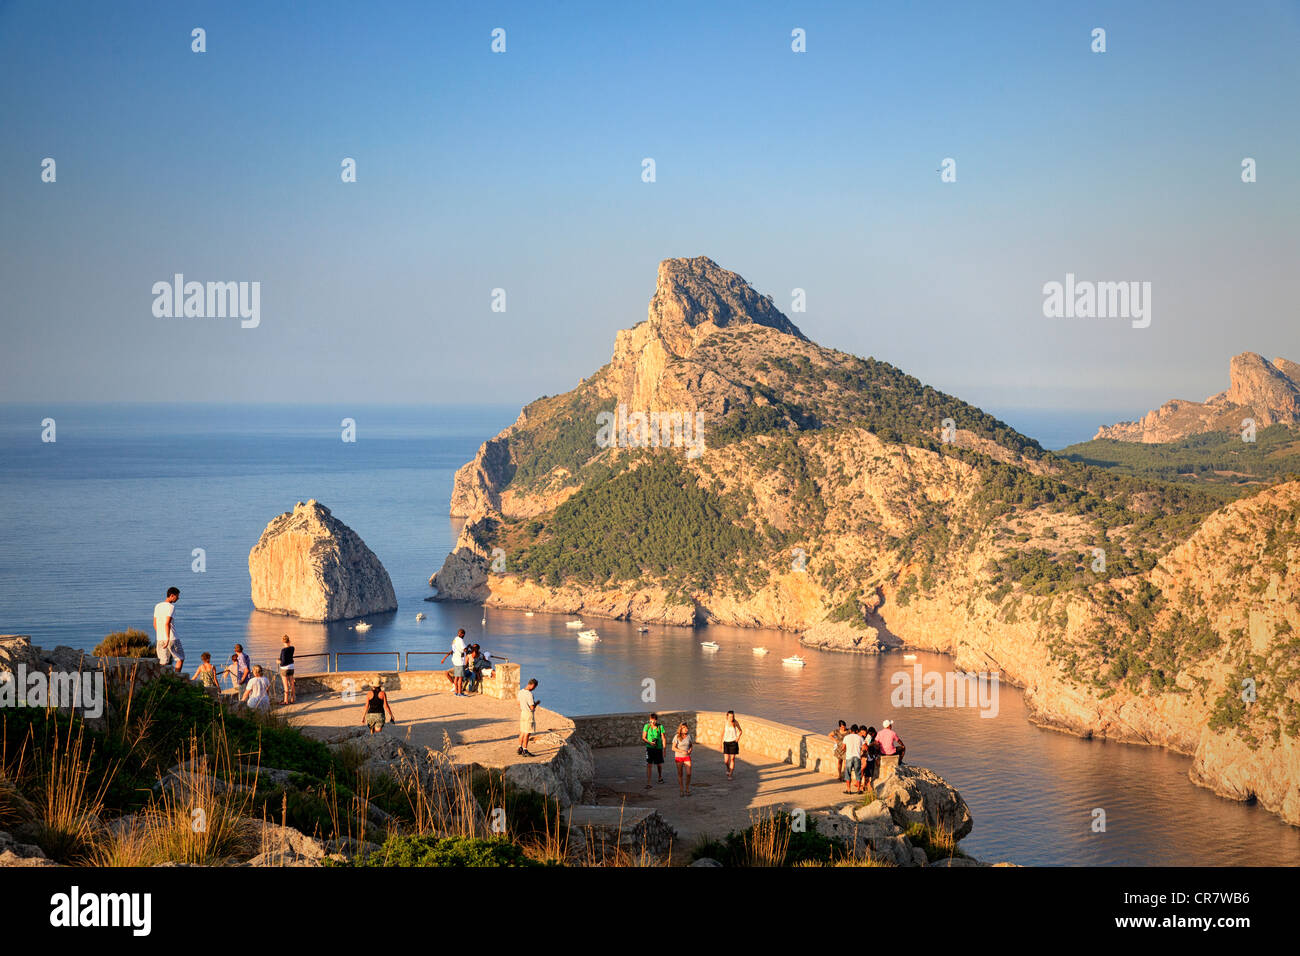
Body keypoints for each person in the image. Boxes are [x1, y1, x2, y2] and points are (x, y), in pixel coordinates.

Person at [152, 587, 180, 668]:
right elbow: (167, 623)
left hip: (160, 638)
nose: (178, 598)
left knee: (162, 662)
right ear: (172, 595)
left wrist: (161, 634)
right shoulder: (171, 607)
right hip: (171, 638)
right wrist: (167, 638)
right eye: (177, 596)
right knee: (180, 659)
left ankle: (162, 679)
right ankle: (176, 678)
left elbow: (154, 624)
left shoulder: (157, 606)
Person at [440, 628, 468, 697]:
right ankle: (460, 693)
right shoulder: (461, 640)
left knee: (456, 678)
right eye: (463, 634)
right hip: (460, 661)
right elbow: (464, 650)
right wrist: (468, 647)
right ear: (462, 634)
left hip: (455, 660)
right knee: (460, 678)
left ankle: (456, 692)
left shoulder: (455, 639)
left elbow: (454, 649)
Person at [642, 712, 666, 788]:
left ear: (656, 720)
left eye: (654, 720)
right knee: (649, 764)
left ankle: (660, 777)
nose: (653, 722)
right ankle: (648, 783)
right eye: (651, 720)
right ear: (649, 720)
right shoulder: (647, 726)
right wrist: (650, 742)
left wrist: (664, 749)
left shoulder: (660, 727)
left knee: (659, 764)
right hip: (649, 748)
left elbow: (663, 738)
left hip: (658, 748)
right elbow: (643, 737)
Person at [517, 678, 539, 757]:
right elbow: (532, 707)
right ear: (532, 685)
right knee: (527, 733)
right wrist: (536, 703)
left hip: (522, 713)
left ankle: (520, 748)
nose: (534, 689)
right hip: (528, 714)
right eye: (535, 687)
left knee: (522, 731)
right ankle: (525, 750)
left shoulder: (520, 692)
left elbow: (518, 704)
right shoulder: (529, 694)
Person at [672, 722, 694, 797]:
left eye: (687, 728)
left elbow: (691, 745)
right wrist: (682, 751)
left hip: (687, 757)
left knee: (688, 773)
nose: (686, 729)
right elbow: (673, 748)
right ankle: (681, 789)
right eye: (684, 728)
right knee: (680, 774)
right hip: (679, 757)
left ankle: (687, 788)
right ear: (681, 729)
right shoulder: (676, 737)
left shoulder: (689, 736)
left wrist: (690, 750)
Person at [721, 710, 743, 780]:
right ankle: (728, 769)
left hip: (733, 743)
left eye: (732, 716)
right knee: (726, 761)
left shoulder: (735, 722)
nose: (731, 718)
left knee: (732, 759)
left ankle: (730, 774)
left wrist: (738, 737)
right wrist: (720, 744)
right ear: (727, 716)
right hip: (726, 743)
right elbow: (722, 733)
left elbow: (740, 731)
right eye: (730, 716)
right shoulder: (725, 723)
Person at [842, 723, 863, 794]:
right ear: (857, 731)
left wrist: (846, 750)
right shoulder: (860, 738)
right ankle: (858, 790)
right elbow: (865, 747)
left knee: (848, 773)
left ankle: (848, 790)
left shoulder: (846, 737)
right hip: (857, 757)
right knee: (858, 773)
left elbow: (843, 748)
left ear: (850, 730)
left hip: (849, 757)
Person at [278, 635, 296, 704]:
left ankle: (286, 701)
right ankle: (293, 699)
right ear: (289, 641)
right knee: (292, 683)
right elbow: (289, 657)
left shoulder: (283, 650)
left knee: (286, 685)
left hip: (284, 668)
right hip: (291, 667)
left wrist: (279, 662)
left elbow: (283, 662)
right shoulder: (292, 648)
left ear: (283, 642)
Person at [862, 726, 879, 793]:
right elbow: (866, 746)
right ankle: (867, 786)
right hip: (869, 758)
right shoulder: (869, 737)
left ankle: (864, 786)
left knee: (867, 773)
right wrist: (873, 743)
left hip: (870, 757)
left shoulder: (868, 737)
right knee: (869, 773)